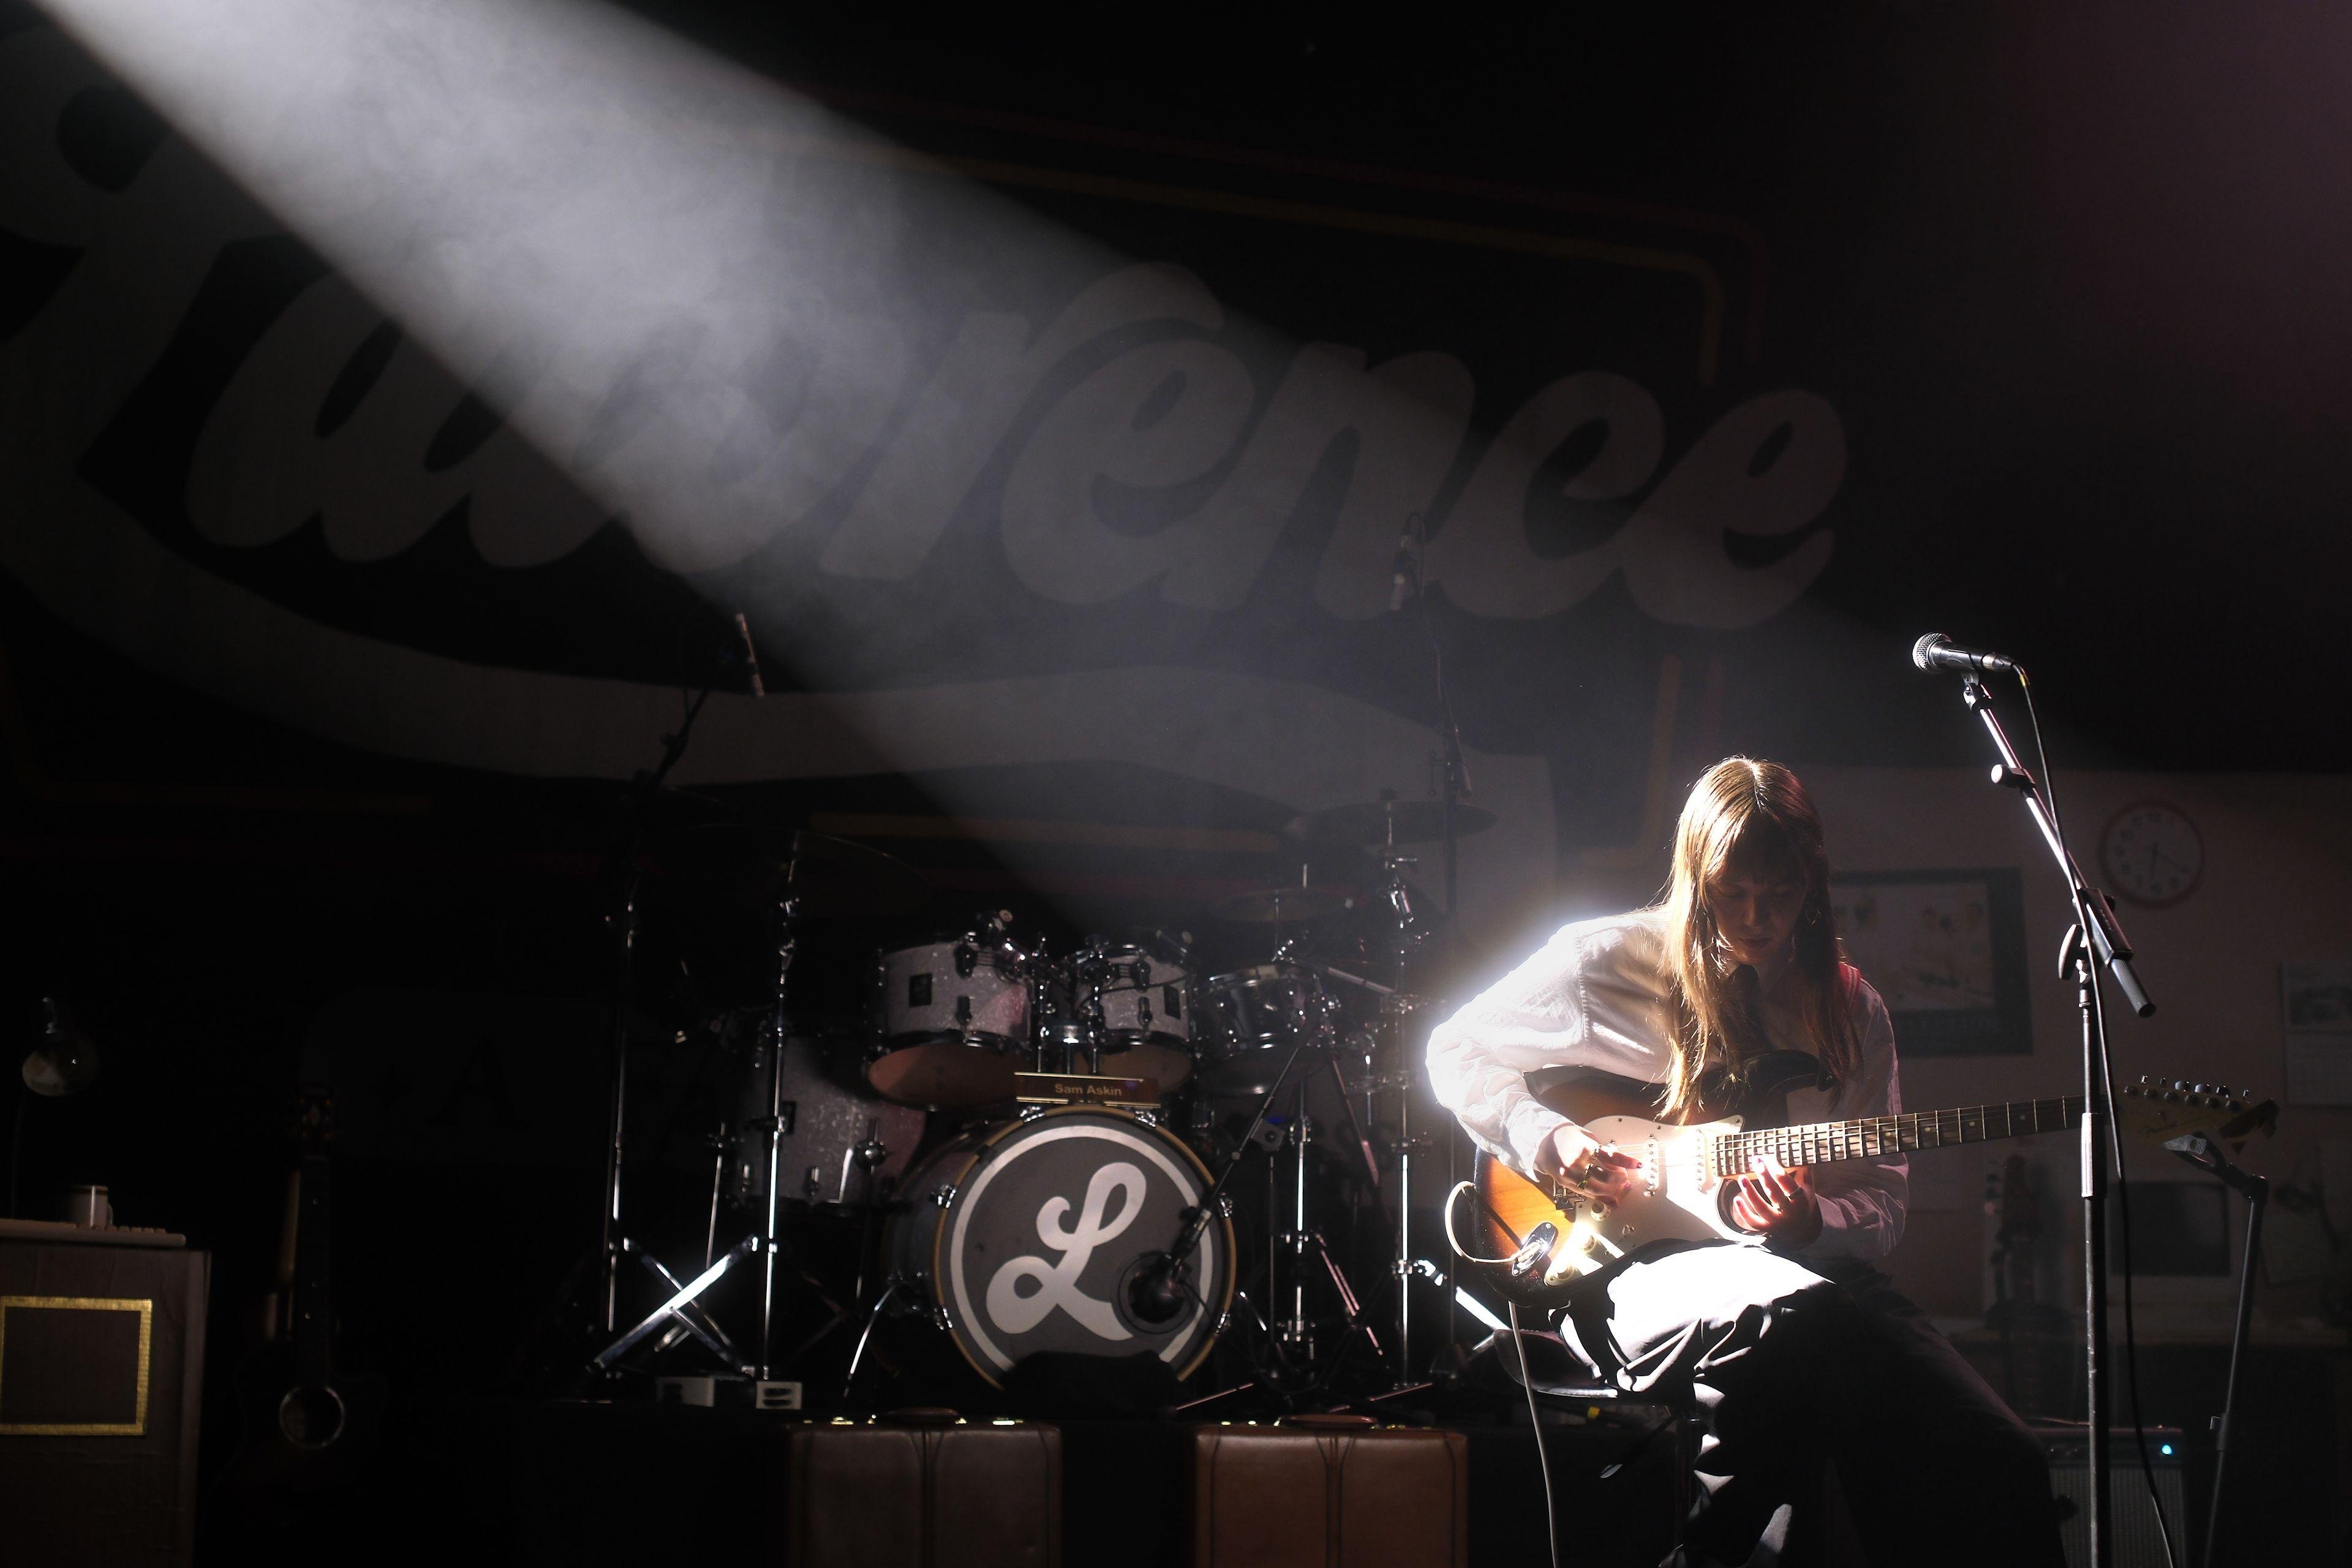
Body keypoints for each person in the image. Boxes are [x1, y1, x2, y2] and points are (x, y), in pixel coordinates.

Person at [1427, 757, 2064, 1567]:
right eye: (1733, 892)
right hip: (1628, 1264)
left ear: (1814, 883)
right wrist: (1548, 1141)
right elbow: (1454, 1051)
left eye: (1782, 893)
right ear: (1696, 875)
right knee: (1794, 1320)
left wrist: (1810, 1219)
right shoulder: (1603, 963)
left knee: (2002, 1459)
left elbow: (1881, 1204)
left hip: (1800, 1275)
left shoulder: (1848, 1007)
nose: (1757, 918)